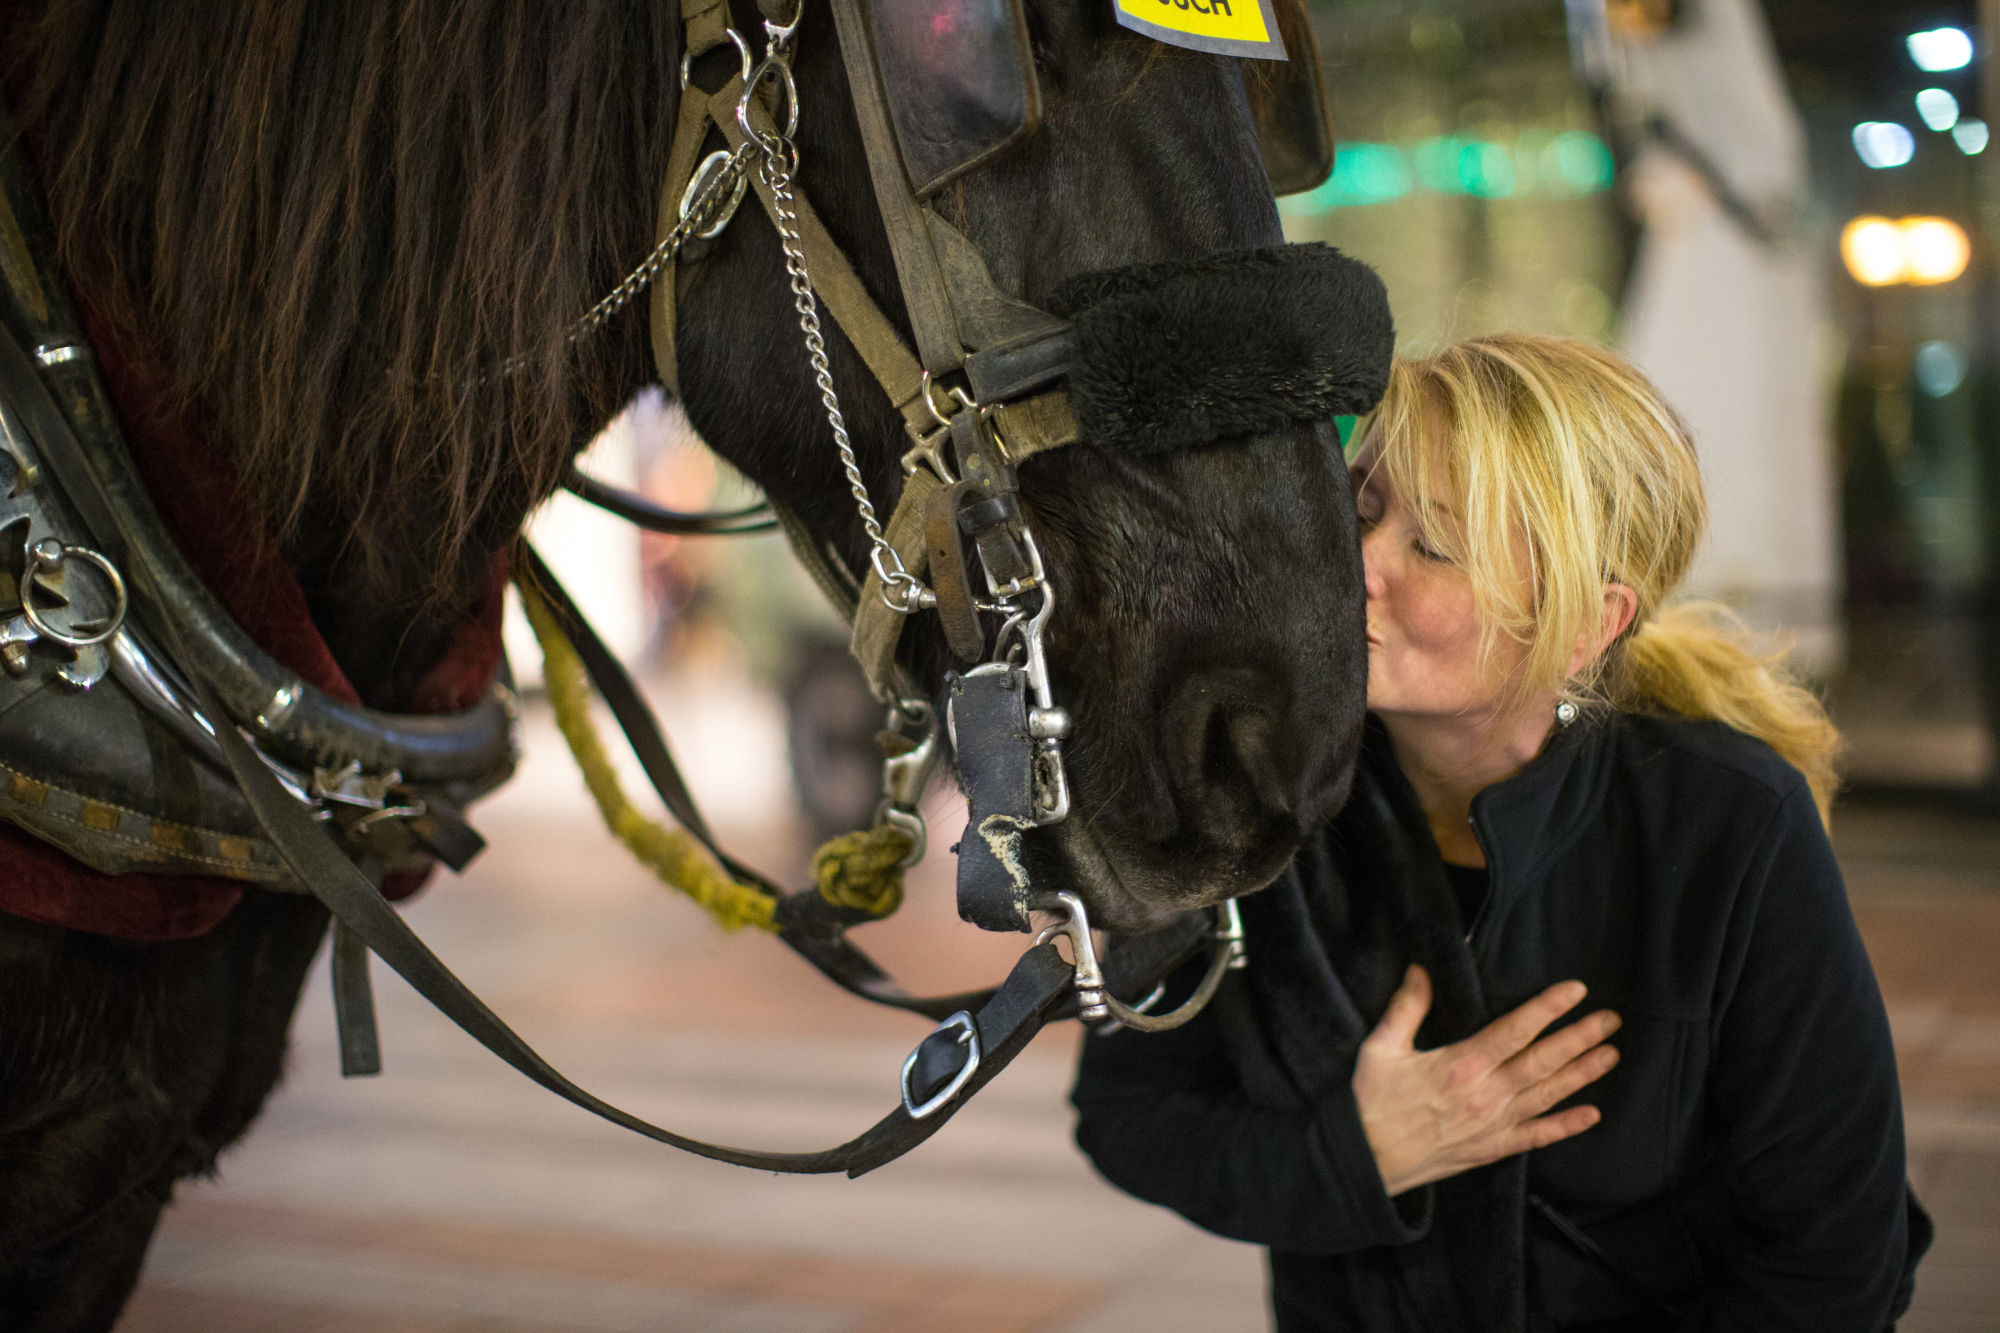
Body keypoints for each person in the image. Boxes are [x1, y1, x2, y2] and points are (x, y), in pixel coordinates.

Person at [1070, 334, 1929, 1332]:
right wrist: (1359, 1155)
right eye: (1359, 507)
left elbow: (1838, 1260)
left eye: (1430, 543)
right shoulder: (1253, 799)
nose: (1356, 563)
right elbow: (1126, 1115)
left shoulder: (1728, 825)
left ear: (1582, 625)